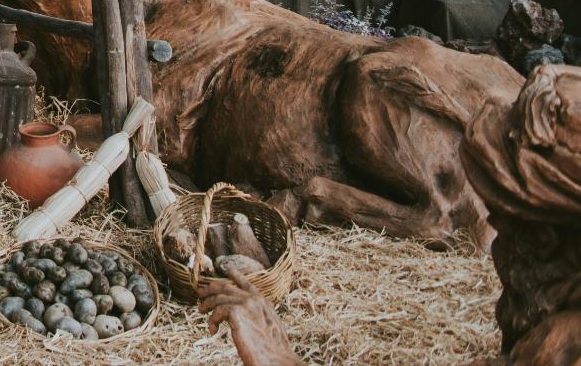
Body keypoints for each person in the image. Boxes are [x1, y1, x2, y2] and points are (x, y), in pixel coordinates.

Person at [199, 64, 581, 366]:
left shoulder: (562, 348)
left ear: (551, 240)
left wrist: (279, 360)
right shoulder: (548, 329)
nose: (496, 243)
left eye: (507, 224)